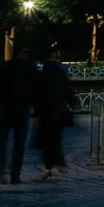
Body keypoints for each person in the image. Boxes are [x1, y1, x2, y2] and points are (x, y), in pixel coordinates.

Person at [0, 49, 36, 184]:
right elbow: (35, 90)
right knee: (19, 144)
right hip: (21, 111)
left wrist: (0, 102)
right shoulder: (28, 69)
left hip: (4, 110)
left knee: (2, 142)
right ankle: (15, 175)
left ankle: (0, 170)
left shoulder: (3, 67)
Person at [33, 45, 75, 181]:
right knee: (56, 138)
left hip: (46, 112)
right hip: (58, 111)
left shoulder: (42, 73)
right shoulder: (61, 73)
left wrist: (37, 113)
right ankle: (58, 162)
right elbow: (68, 91)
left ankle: (48, 167)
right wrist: (73, 105)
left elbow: (37, 95)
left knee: (47, 139)